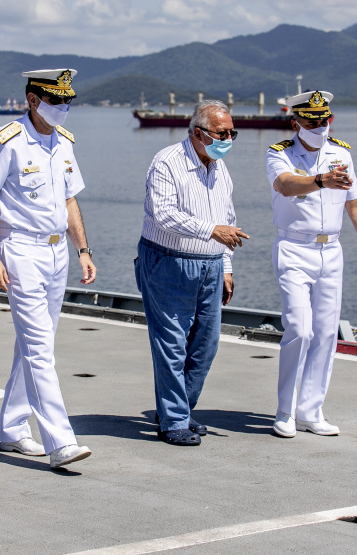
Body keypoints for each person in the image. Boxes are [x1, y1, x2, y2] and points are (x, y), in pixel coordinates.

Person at [0, 69, 95, 469]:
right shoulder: (7, 141)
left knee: (35, 344)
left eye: (67, 101)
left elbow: (69, 201)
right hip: (21, 250)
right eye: (55, 101)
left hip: (58, 252)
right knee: (40, 348)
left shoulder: (63, 142)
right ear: (32, 100)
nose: (63, 108)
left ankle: (12, 428)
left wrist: (83, 250)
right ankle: (61, 441)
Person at [266, 90, 357, 438]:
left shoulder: (341, 154)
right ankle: (285, 410)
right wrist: (320, 180)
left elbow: (356, 205)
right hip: (294, 248)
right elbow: (285, 185)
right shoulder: (280, 153)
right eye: (312, 122)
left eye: (325, 121)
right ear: (296, 124)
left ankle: (311, 411)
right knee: (299, 329)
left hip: (331, 251)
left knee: (324, 334)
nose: (320, 127)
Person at [136, 99, 249, 446]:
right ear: (198, 133)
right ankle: (173, 421)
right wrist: (211, 231)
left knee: (206, 345)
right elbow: (163, 214)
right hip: (168, 262)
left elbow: (227, 217)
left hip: (211, 265)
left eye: (232, 134)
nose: (227, 139)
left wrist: (226, 266)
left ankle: (179, 409)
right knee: (172, 344)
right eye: (221, 133)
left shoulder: (220, 167)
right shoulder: (167, 162)